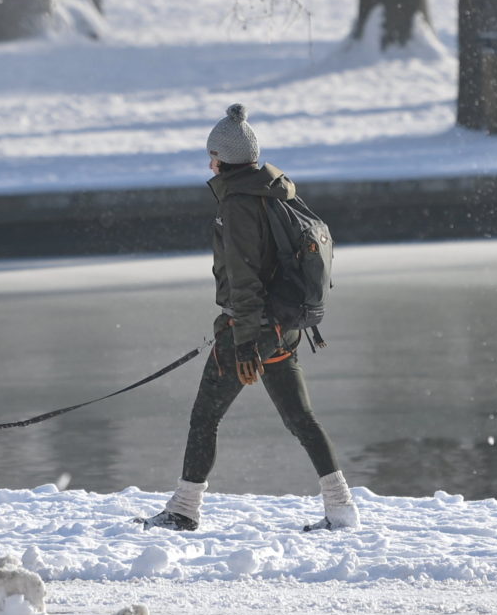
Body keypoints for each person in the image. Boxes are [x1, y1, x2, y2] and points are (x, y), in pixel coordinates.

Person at [142, 104, 357, 533]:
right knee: (300, 418)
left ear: (224, 158)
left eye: (213, 155)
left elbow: (244, 279)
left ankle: (184, 510)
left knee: (205, 417)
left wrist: (242, 342)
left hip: (253, 327)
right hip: (285, 325)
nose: (210, 163)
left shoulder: (239, 203)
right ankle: (341, 509)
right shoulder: (276, 189)